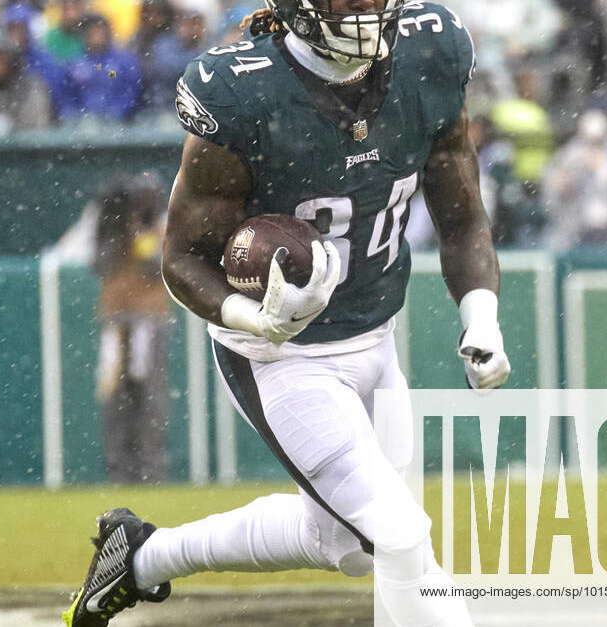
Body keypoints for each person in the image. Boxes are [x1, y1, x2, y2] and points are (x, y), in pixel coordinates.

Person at [64, 1, 511, 626]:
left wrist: (481, 314)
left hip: (373, 337)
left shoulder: (428, 52)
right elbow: (183, 259)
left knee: (348, 546)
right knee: (399, 535)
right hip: (280, 357)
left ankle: (139, 558)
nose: (366, 7)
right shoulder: (244, 91)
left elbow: (462, 215)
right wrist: (256, 318)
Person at [91, 173, 171, 484]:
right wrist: (111, 228)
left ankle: (151, 470)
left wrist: (140, 232)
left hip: (149, 318)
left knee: (150, 396)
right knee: (115, 397)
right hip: (114, 318)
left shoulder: (164, 226)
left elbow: (155, 266)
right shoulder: (110, 228)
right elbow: (99, 264)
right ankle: (119, 471)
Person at [540, 108, 607, 248]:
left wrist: (606, 172)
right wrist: (563, 187)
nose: (593, 147)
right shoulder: (568, 156)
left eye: (598, 141)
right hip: (575, 231)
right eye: (588, 141)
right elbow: (550, 201)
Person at [59, 14, 142, 122]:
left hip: (119, 123)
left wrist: (116, 113)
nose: (97, 36)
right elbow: (67, 95)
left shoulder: (124, 62)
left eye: (100, 31)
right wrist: (77, 116)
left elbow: (131, 92)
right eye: (92, 32)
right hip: (84, 123)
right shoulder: (75, 63)